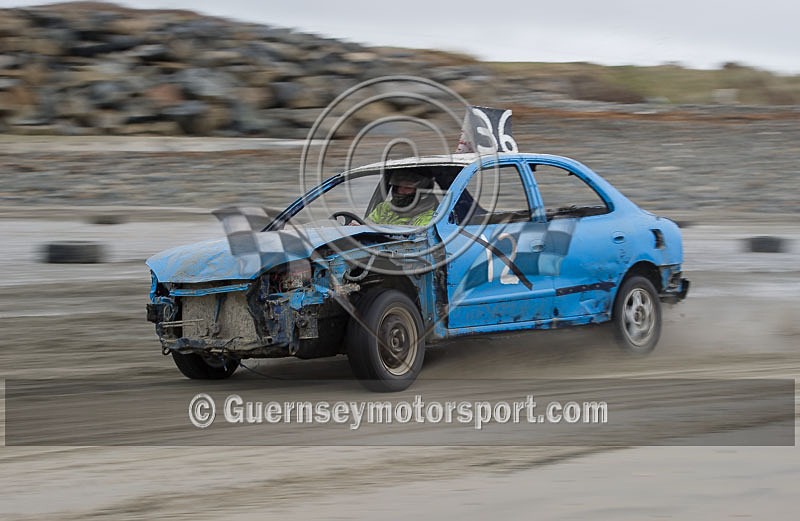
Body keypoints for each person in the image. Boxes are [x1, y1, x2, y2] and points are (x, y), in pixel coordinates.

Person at [367, 171, 437, 227]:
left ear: (422, 192)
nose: (400, 191)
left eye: (407, 188)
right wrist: (358, 225)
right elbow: (366, 227)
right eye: (398, 186)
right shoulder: (383, 208)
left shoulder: (429, 217)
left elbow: (416, 241)